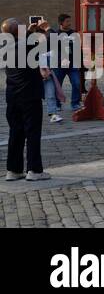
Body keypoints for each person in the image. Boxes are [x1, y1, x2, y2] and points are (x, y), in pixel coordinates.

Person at [3, 19, 49, 181]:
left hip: (12, 95)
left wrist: (30, 32)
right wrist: (44, 30)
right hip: (30, 95)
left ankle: (13, 170)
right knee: (32, 132)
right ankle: (34, 170)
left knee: (15, 132)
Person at [50, 13, 83, 114]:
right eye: (67, 21)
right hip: (59, 65)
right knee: (57, 84)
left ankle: (75, 103)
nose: (69, 23)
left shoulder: (74, 34)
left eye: (70, 21)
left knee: (77, 83)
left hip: (73, 64)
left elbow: (78, 49)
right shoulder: (55, 34)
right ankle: (57, 104)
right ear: (61, 23)